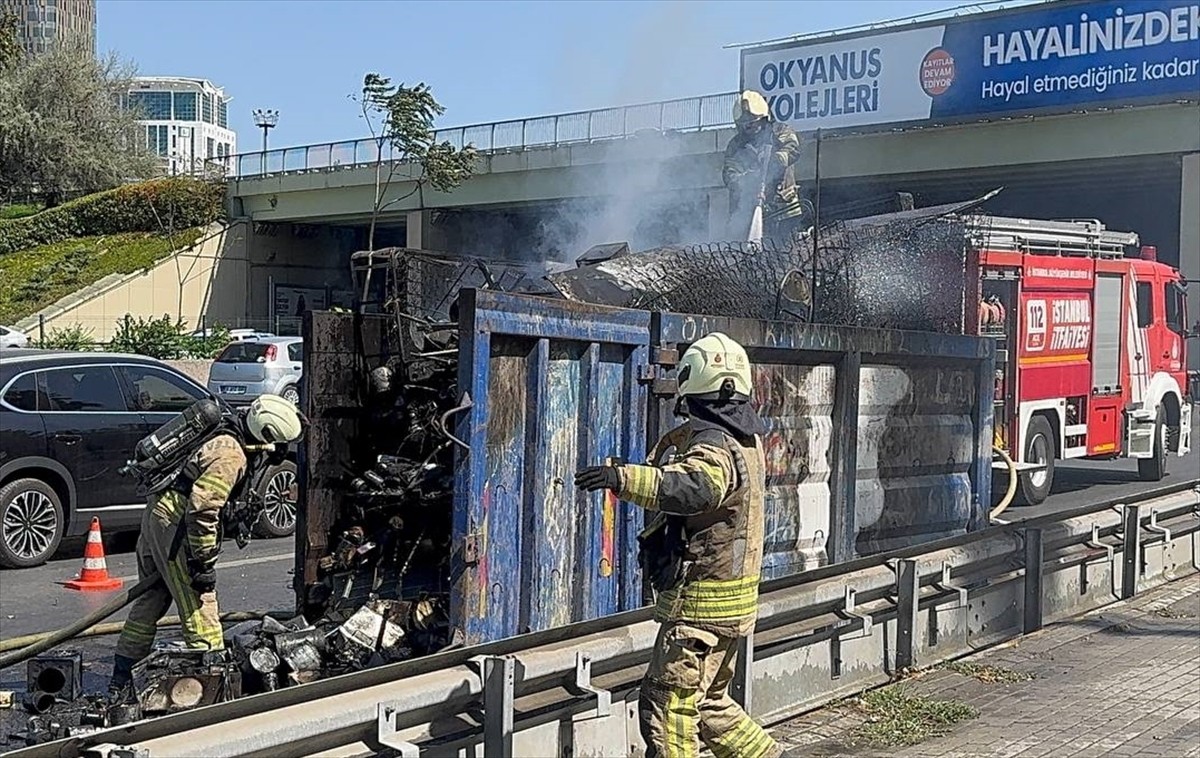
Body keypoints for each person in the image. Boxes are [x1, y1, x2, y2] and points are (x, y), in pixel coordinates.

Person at [575, 332, 781, 758]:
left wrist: (623, 479)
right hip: (728, 608)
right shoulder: (745, 437)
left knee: (668, 707)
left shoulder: (715, 443)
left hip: (700, 611)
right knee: (709, 705)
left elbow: (696, 488)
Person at [110, 394, 306, 695]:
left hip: (160, 511)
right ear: (266, 435)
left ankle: (120, 680)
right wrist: (201, 563)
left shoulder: (231, 428)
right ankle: (212, 682)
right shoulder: (231, 456)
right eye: (278, 445)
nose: (279, 453)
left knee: (153, 597)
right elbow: (202, 511)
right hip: (176, 524)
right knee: (199, 605)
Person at [723, 90, 806, 245]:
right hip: (750, 212)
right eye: (745, 124)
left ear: (763, 118)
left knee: (785, 255)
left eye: (753, 122)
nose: (749, 126)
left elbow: (793, 149)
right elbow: (730, 176)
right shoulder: (735, 146)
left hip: (784, 210)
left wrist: (775, 161)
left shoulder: (780, 131)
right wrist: (750, 178)